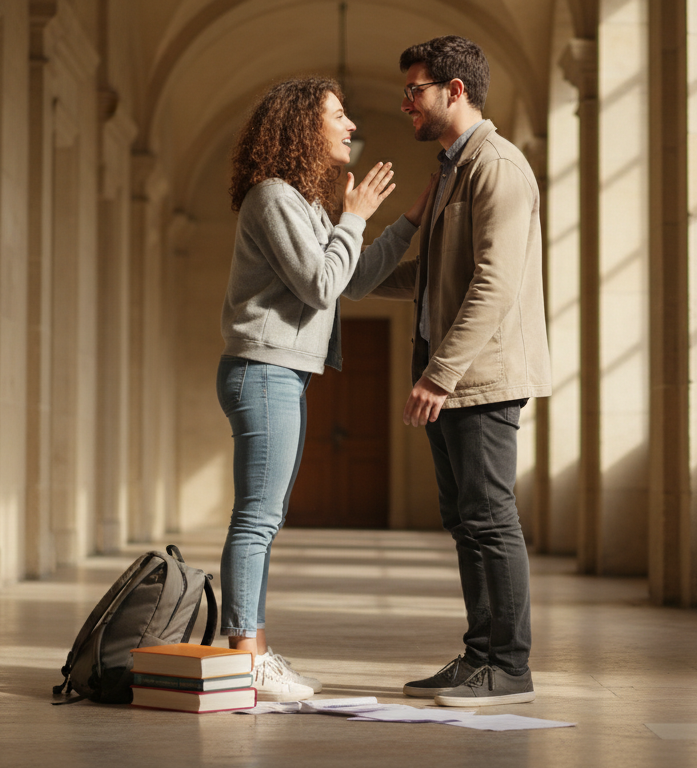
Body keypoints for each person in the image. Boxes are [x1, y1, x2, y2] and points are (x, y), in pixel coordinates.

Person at [219, 77, 433, 701]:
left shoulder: (303, 203)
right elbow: (319, 285)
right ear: (302, 128)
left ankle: (252, 650)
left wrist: (406, 221)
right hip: (262, 371)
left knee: (266, 517)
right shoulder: (271, 196)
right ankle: (244, 658)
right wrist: (354, 215)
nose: (349, 127)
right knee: (257, 519)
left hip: (282, 372)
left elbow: (354, 280)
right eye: (338, 116)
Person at [370, 36, 551, 706]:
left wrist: (439, 374)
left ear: (454, 90)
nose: (405, 103)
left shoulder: (495, 166)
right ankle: (481, 657)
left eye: (414, 90)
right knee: (468, 519)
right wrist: (353, 280)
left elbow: (494, 284)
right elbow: (439, 279)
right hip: (455, 375)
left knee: (488, 517)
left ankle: (507, 667)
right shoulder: (454, 167)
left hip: (481, 377)